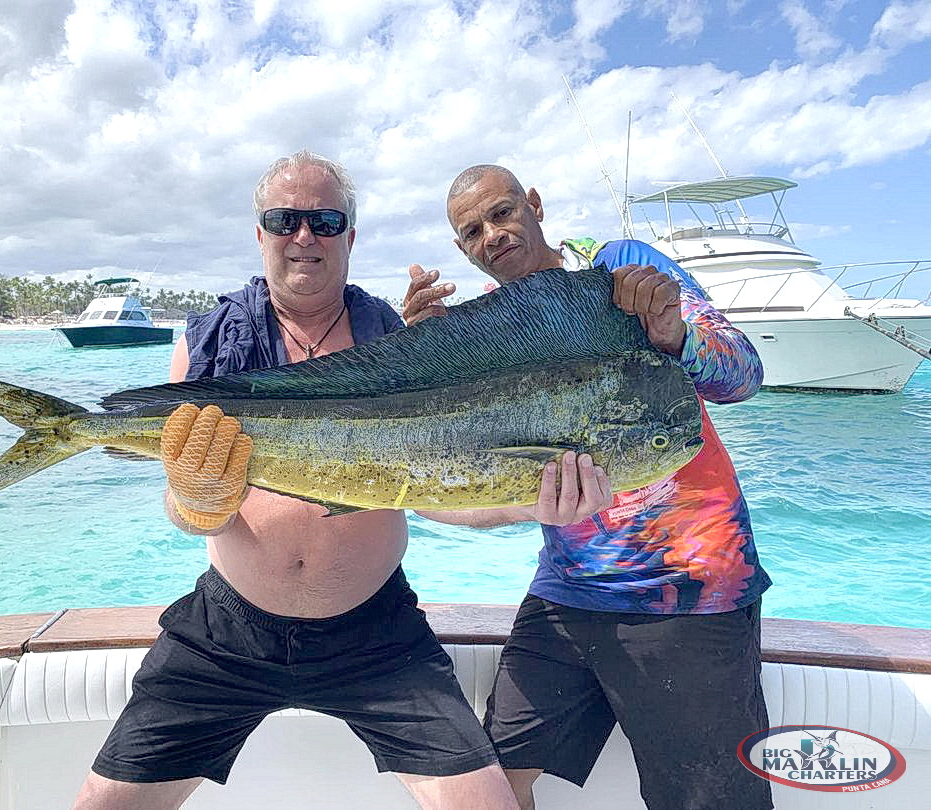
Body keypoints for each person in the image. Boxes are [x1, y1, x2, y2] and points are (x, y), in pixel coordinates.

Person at [72, 152, 611, 810]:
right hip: (228, 634)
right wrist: (195, 499)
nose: (305, 236)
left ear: (350, 237)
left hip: (376, 636)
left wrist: (532, 506)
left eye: (325, 220)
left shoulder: (392, 336)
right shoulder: (209, 345)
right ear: (261, 233)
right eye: (285, 219)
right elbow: (188, 515)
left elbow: (431, 487)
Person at [401, 164, 773, 810]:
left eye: (502, 212)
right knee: (491, 788)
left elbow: (744, 372)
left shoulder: (623, 269)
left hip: (690, 593)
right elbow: (461, 477)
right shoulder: (493, 328)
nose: (493, 234)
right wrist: (422, 360)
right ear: (463, 249)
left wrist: (674, 333)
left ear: (535, 205)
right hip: (568, 593)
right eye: (472, 231)